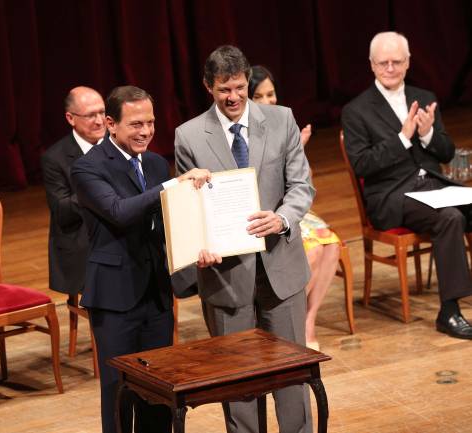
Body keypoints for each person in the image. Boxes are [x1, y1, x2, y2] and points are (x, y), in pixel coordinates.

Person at [175, 46, 315, 433]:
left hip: (281, 269)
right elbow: (189, 210)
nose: (233, 97)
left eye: (238, 87)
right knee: (238, 383)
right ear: (209, 87)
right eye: (223, 90)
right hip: (226, 277)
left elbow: (301, 186)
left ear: (248, 81)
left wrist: (282, 219)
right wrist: (197, 244)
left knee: (292, 377)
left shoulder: (282, 118)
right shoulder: (188, 136)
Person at [71, 86, 211, 433]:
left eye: (150, 122)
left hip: (155, 292)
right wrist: (174, 184)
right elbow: (119, 211)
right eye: (135, 124)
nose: (146, 131)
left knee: (159, 386)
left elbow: (168, 223)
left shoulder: (154, 163)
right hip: (115, 296)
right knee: (118, 389)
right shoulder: (87, 168)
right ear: (110, 124)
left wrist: (198, 249)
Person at [342, 31, 472, 339]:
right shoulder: (356, 111)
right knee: (450, 217)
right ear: (372, 65)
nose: (390, 68)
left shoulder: (423, 98)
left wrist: (427, 134)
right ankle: (449, 311)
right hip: (392, 196)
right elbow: (363, 164)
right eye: (383, 63)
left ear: (408, 62)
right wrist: (402, 138)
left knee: (458, 209)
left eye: (396, 62)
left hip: (433, 186)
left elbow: (447, 153)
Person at [248, 65, 341, 350]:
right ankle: (284, 318)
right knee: (311, 251)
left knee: (332, 243)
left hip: (288, 208)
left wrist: (298, 149)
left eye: (271, 94)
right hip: (262, 210)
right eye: (260, 96)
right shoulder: (243, 131)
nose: (268, 101)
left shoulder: (283, 123)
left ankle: (307, 319)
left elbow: (302, 183)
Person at [41, 86, 106, 340]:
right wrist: (97, 191)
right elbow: (62, 211)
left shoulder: (117, 144)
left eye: (102, 112)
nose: (100, 120)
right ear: (71, 118)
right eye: (91, 115)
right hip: (81, 243)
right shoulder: (55, 158)